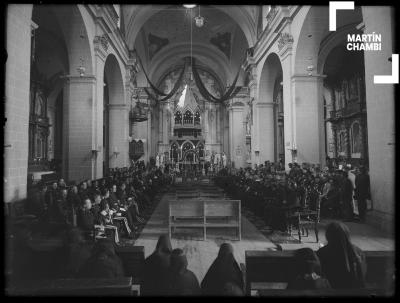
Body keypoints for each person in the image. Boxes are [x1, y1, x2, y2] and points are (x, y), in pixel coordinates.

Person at [317, 221, 366, 289]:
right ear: (347, 234)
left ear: (328, 235)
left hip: (332, 291)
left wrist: (323, 250)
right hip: (355, 291)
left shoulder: (322, 253)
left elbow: (321, 274)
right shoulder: (358, 251)